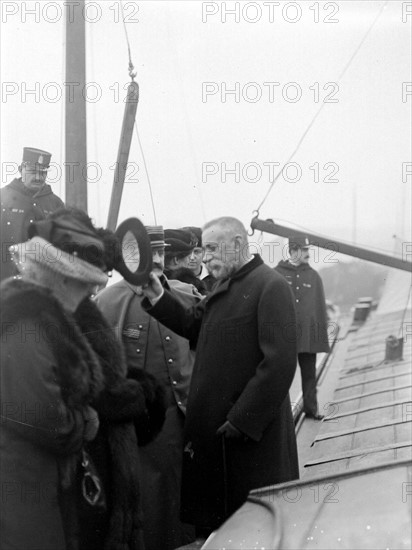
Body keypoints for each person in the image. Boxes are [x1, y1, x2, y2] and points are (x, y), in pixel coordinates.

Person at [0, 209, 165, 550]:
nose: (92, 289)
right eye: (86, 281)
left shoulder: (55, 315)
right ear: (60, 278)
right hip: (33, 493)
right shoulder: (25, 325)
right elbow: (45, 417)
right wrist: (87, 419)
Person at [141, 216, 299, 536]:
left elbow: (279, 363)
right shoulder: (223, 287)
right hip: (220, 442)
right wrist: (158, 297)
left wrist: (242, 420)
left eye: (213, 248)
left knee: (256, 528)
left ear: (238, 245)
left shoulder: (271, 286)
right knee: (225, 527)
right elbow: (192, 325)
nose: (206, 256)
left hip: (249, 441)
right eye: (204, 249)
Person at [94, 225, 201, 550]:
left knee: (189, 505)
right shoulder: (108, 303)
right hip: (142, 432)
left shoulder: (186, 295)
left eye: (159, 253)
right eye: (147, 253)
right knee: (151, 507)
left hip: (187, 425)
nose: (155, 260)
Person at [275, 236, 330, 420]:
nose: (307, 254)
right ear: (292, 251)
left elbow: (319, 309)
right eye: (303, 250)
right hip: (285, 337)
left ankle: (311, 409)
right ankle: (280, 418)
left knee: (309, 374)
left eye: (308, 250)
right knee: (281, 377)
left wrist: (318, 337)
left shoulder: (314, 276)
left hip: (306, 337)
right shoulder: (277, 274)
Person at [0, 147, 64, 281]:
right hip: (5, 280)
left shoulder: (56, 204)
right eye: (33, 171)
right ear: (21, 169)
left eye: (43, 173)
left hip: (43, 283)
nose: (38, 177)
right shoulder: (2, 198)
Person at [181, 226, 216, 293]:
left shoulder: (216, 276)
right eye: (188, 253)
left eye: (197, 251)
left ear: (204, 252)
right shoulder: (174, 280)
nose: (192, 257)